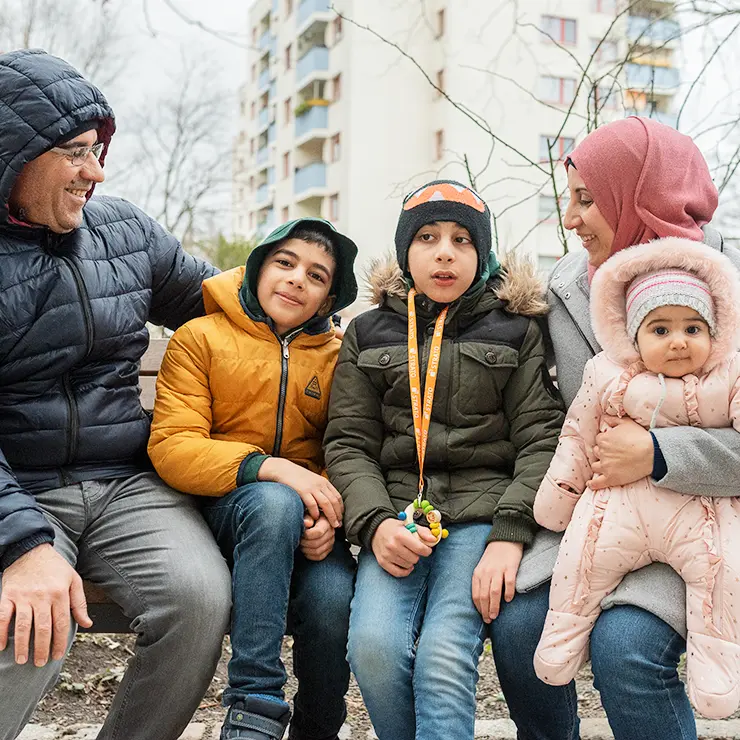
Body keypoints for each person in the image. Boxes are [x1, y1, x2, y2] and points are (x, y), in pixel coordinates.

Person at [0, 49, 231, 740]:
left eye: (97, 150)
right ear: (15, 155)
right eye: (76, 152)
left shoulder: (125, 232)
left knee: (197, 600)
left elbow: (230, 306)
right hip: (19, 488)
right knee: (29, 627)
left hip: (128, 483)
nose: (96, 172)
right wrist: (20, 545)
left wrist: (332, 312)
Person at [489, 116, 740, 740]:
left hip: (706, 518)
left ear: (639, 194)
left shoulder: (723, 290)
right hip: (597, 510)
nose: (570, 220)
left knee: (625, 646)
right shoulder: (570, 287)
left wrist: (658, 452)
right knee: (519, 623)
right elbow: (550, 418)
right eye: (568, 200)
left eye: (586, 199)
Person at [323, 180, 565, 740]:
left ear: (482, 256)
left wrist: (510, 531)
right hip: (398, 519)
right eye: (427, 237)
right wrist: (376, 524)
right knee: (375, 649)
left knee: (442, 657)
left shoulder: (515, 330)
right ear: (406, 251)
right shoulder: (369, 331)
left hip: (482, 521)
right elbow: (348, 443)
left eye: (462, 239)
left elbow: (541, 439)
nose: (445, 252)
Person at [148, 218, 359, 740]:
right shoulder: (201, 338)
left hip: (308, 524)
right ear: (259, 267)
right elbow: (173, 445)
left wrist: (330, 519)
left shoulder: (338, 359)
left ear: (329, 297)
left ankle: (319, 726)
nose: (295, 280)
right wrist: (271, 468)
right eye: (284, 263)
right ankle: (254, 708)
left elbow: (353, 447)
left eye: (316, 275)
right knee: (272, 503)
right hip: (222, 511)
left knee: (333, 600)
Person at [533, 239, 740, 719]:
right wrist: (558, 498)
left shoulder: (728, 374)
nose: (679, 341)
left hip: (701, 512)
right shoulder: (607, 373)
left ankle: (718, 668)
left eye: (693, 328)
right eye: (660, 329)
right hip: (617, 507)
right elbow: (577, 438)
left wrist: (660, 451)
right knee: (581, 561)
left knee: (721, 575)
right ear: (632, 336)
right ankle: (562, 642)